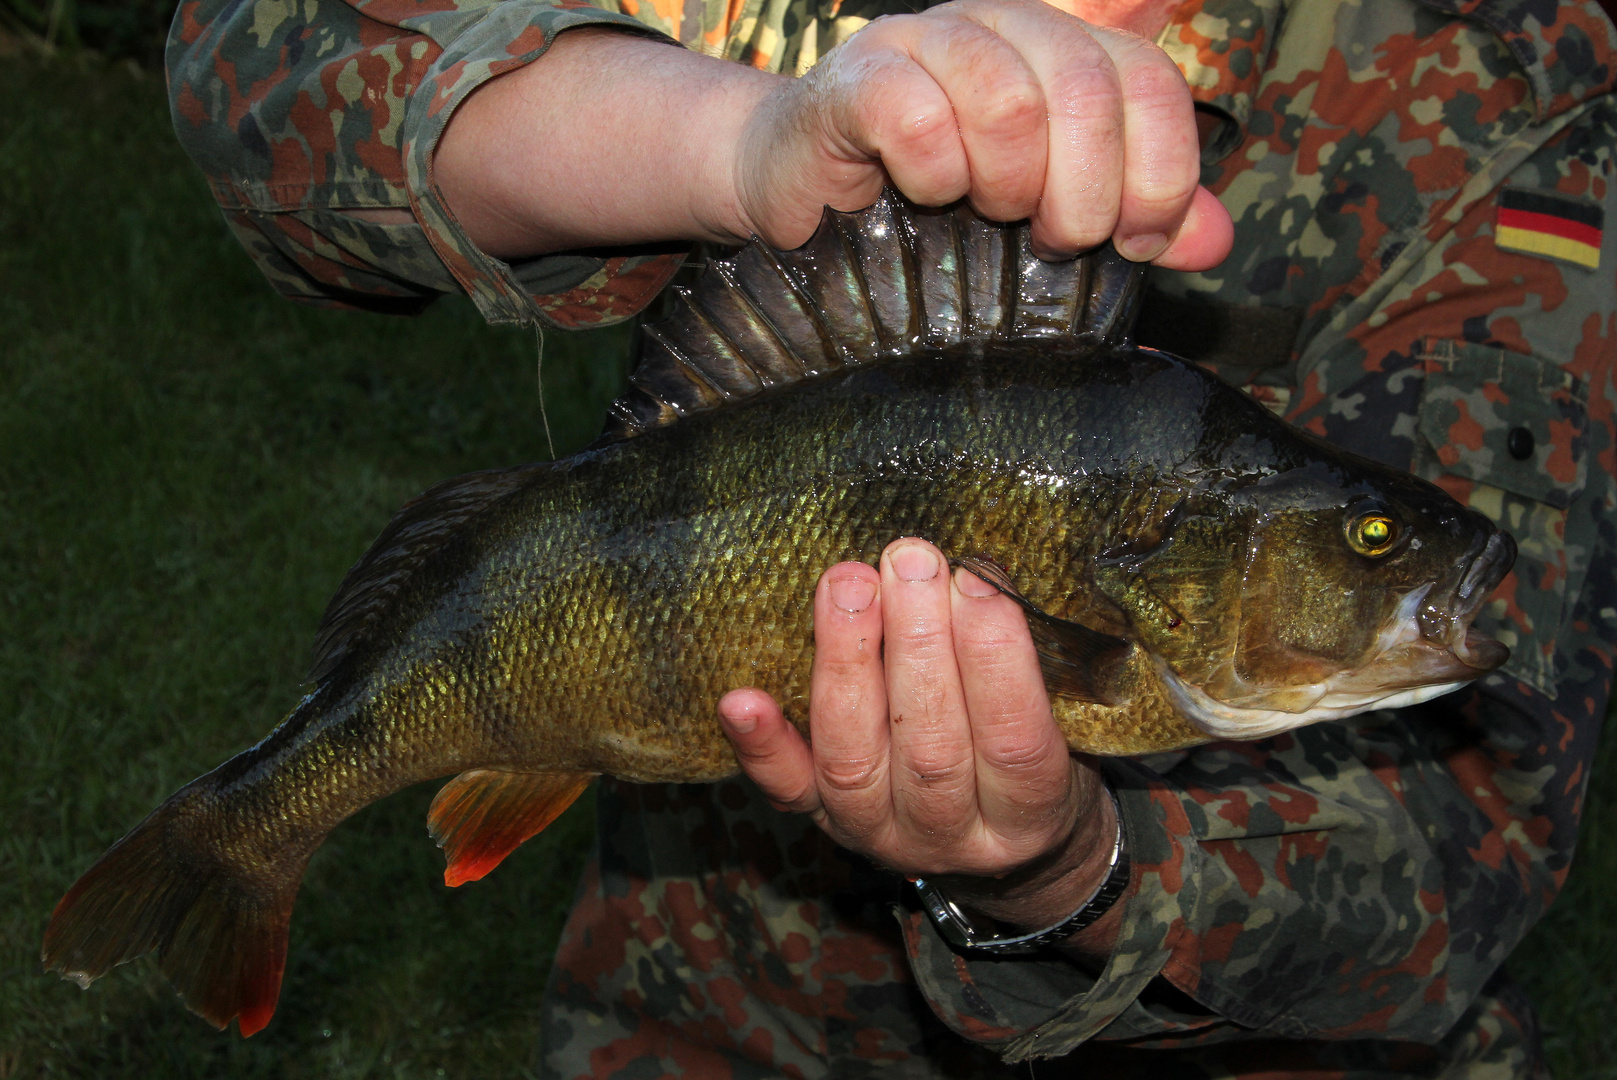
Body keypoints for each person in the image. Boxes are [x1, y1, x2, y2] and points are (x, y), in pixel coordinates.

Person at [166, 0, 1617, 1073]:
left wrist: (1062, 869)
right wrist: (729, 135)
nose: (1391, 557)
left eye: (1362, 541)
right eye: (1366, 543)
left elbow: (1470, 842)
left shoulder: (1504, 81)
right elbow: (254, 52)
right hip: (711, 1019)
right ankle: (253, 825)